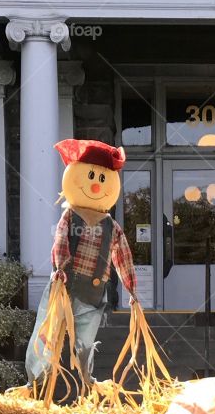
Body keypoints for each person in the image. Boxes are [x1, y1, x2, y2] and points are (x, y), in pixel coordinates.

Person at [21, 138, 139, 399]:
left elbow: (123, 257)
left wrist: (131, 288)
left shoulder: (112, 227)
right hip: (63, 288)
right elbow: (60, 242)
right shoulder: (70, 216)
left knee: (85, 341)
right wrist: (60, 267)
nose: (96, 184)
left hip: (92, 296)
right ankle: (34, 383)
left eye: (102, 178)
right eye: (91, 177)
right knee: (47, 334)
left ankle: (87, 382)